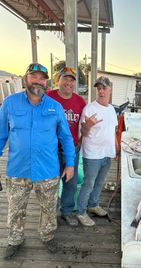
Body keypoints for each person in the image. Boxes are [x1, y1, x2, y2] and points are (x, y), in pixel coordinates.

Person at [0, 63, 75, 259]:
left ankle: (47, 236)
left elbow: (66, 137)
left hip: (47, 171)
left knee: (49, 209)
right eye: (34, 76)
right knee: (15, 209)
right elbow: (1, 136)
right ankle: (15, 239)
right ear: (25, 78)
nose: (38, 81)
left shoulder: (55, 107)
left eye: (42, 78)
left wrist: (70, 164)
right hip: (18, 170)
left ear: (46, 82)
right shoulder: (9, 103)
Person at [76, 76, 118, 226]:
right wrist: (87, 125)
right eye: (98, 88)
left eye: (104, 88)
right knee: (88, 183)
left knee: (100, 182)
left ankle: (93, 205)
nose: (101, 91)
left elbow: (113, 131)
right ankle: (81, 212)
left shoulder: (112, 109)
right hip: (92, 154)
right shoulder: (90, 108)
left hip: (107, 153)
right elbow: (83, 133)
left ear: (110, 90)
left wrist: (117, 148)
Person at [47, 67, 86, 226]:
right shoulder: (49, 96)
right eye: (65, 78)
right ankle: (49, 212)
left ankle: (67, 212)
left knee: (70, 182)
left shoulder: (80, 101)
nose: (68, 82)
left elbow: (84, 125)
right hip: (51, 150)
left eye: (72, 80)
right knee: (50, 182)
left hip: (72, 150)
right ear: (58, 80)